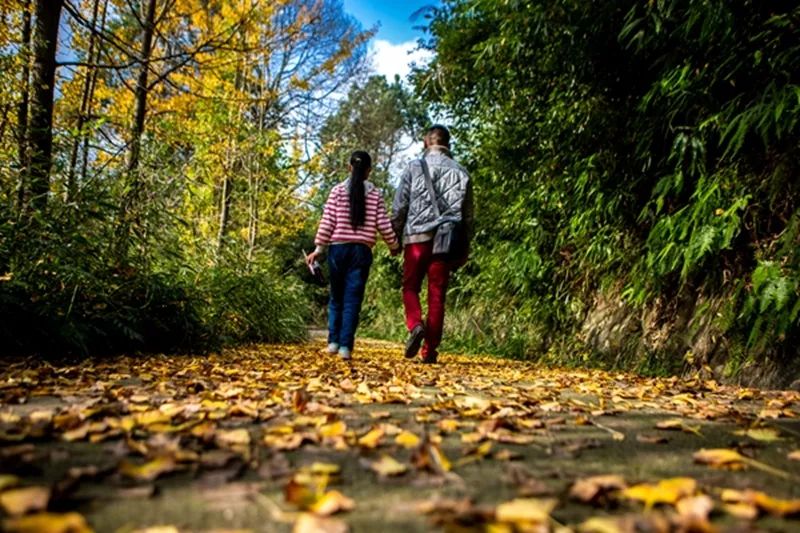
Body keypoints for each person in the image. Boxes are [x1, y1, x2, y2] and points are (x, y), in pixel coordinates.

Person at [391, 125, 473, 364]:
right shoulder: (462, 172)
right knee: (437, 295)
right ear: (448, 144)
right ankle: (429, 350)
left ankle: (415, 324)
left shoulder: (413, 167)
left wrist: (394, 237)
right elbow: (468, 217)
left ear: (426, 143)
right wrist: (465, 248)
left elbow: (399, 207)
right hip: (445, 241)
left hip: (416, 239)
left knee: (410, 287)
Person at [307, 151, 400, 360]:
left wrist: (319, 250)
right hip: (361, 252)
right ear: (369, 171)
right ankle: (346, 348)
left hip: (337, 250)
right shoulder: (375, 194)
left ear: (349, 167)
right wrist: (394, 245)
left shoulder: (337, 191)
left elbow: (327, 222)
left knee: (336, 298)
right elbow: (383, 224)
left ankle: (332, 342)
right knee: (352, 301)